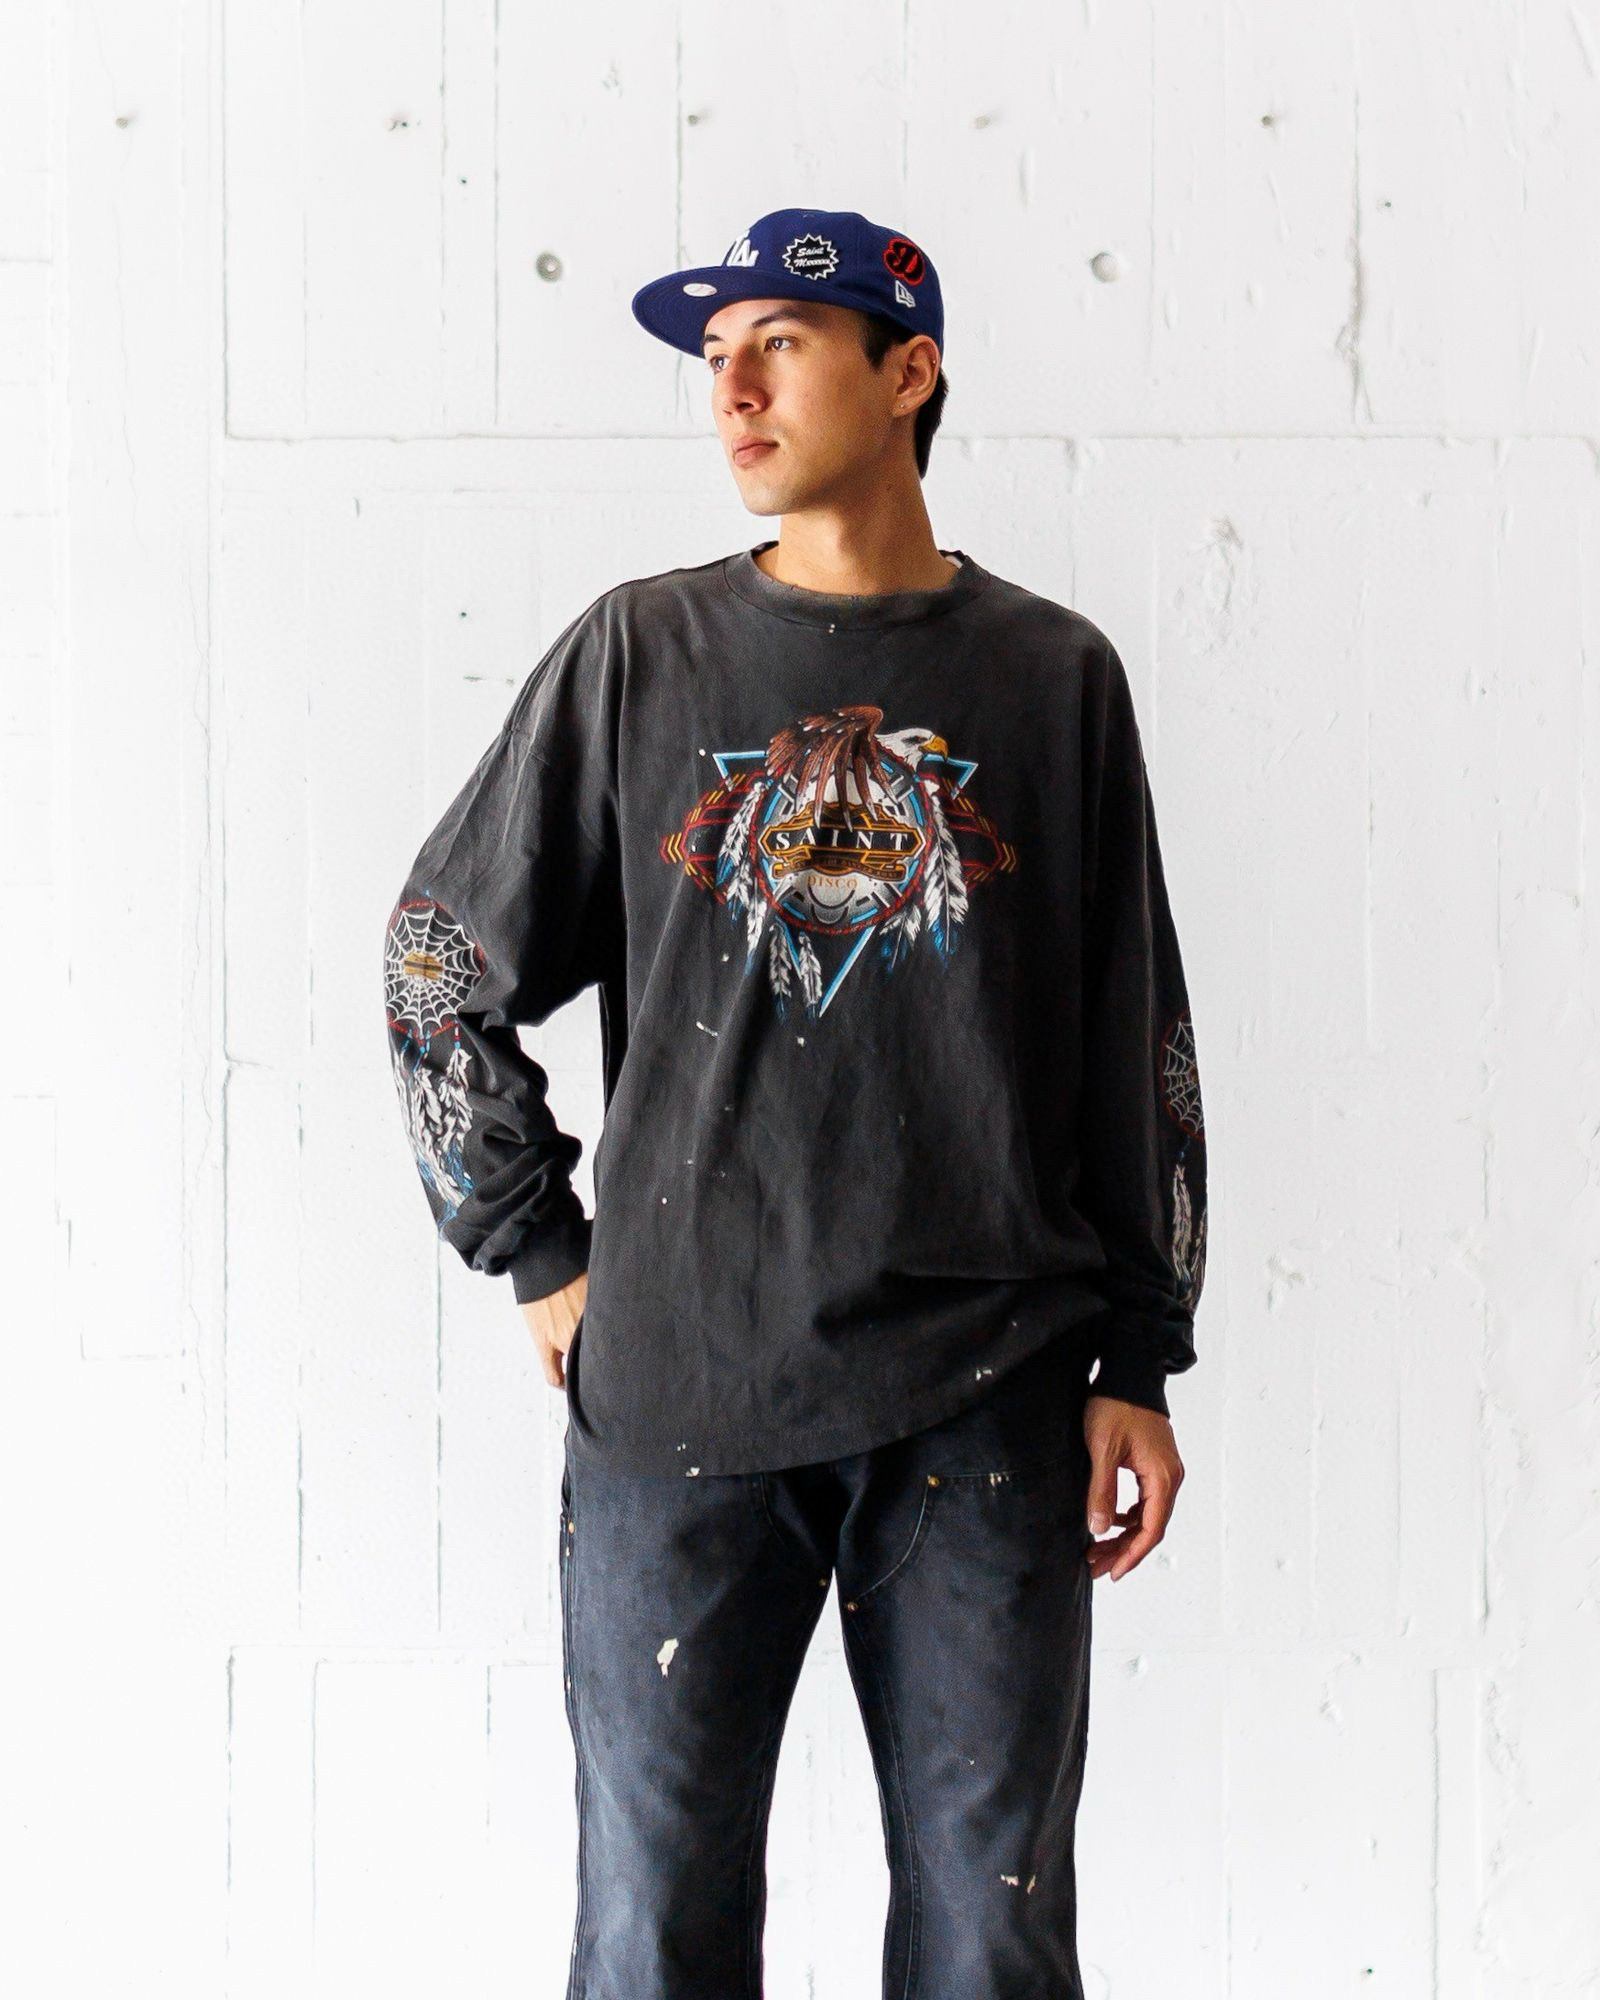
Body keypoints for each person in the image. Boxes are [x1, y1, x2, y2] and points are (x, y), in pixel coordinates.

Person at [382, 205, 1208, 1999]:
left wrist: (1141, 1351)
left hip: (990, 1392)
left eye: (781, 343)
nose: (732, 391)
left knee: (992, 1941)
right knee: (651, 1941)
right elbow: (438, 959)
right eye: (714, 356)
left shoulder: (1052, 675)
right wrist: (534, 1247)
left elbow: (1131, 1034)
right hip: (681, 1393)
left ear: (908, 372)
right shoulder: (640, 654)